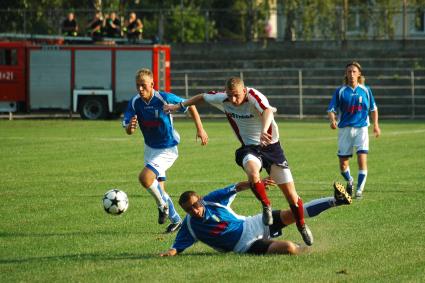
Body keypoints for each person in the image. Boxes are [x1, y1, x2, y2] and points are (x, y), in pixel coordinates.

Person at [163, 77, 313, 246]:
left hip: (271, 148)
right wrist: (179, 106)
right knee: (252, 172)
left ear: (244, 90)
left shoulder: (254, 96)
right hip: (249, 148)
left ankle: (301, 225)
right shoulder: (223, 98)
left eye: (236, 95)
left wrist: (264, 131)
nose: (233, 100)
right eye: (229, 95)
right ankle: (266, 206)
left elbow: (268, 111)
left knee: (292, 198)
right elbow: (201, 97)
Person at [160, 180, 351, 256]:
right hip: (245, 247)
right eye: (189, 209)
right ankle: (307, 251)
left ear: (200, 200)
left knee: (292, 213)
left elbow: (236, 187)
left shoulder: (212, 200)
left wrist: (257, 183)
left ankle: (337, 200)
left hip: (252, 224)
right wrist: (167, 254)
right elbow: (176, 248)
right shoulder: (190, 226)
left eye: (195, 205)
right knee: (289, 248)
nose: (194, 211)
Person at [122, 68, 208, 233]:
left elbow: (190, 105)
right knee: (159, 189)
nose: (140, 89)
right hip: (150, 149)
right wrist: (130, 128)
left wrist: (200, 128)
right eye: (137, 86)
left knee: (145, 178)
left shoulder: (164, 98)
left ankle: (162, 206)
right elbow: (128, 127)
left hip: (167, 149)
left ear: (152, 84)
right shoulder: (134, 102)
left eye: (143, 85)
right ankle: (176, 220)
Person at [327, 61, 381, 199]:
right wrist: (332, 120)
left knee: (362, 159)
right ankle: (350, 180)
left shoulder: (366, 90)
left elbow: (373, 109)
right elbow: (331, 109)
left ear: (359, 74)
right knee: (343, 164)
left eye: (354, 71)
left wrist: (375, 125)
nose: (351, 74)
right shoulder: (340, 91)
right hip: (345, 130)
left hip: (361, 129)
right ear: (346, 74)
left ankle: (359, 190)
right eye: (349, 71)